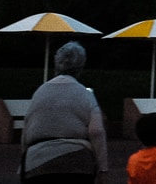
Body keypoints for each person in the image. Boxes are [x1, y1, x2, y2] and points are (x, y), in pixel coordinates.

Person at [21, 41, 109, 183]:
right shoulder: (85, 94)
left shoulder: (39, 92)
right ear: (81, 66)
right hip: (77, 162)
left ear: (56, 63)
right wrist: (102, 169)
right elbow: (96, 131)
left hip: (37, 162)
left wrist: (23, 164)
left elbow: (27, 130)